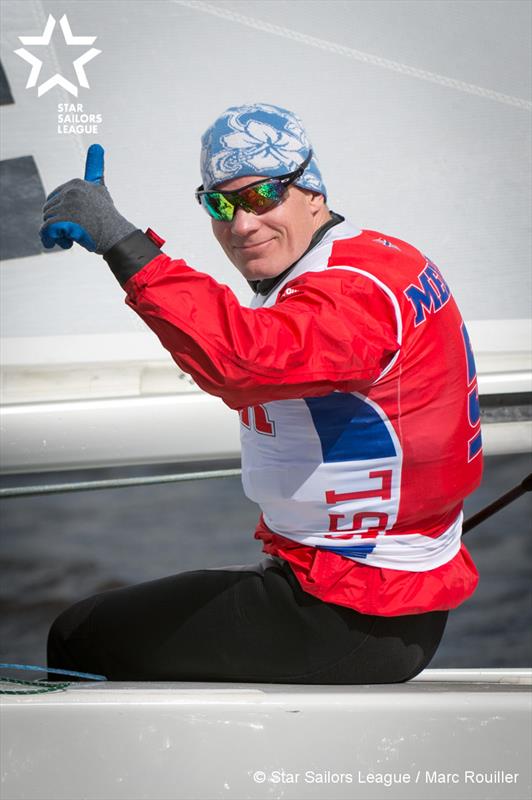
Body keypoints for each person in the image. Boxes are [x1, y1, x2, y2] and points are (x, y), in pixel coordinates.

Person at [42, 103, 483, 684]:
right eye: (220, 204)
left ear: (312, 193)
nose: (242, 224)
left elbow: (244, 361)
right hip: (380, 595)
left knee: (80, 636)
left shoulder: (353, 294)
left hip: (350, 615)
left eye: (262, 196)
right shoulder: (377, 257)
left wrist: (123, 244)